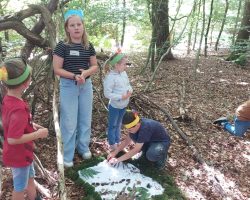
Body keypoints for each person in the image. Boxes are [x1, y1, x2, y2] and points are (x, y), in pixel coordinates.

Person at [53, 9, 98, 167]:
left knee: (85, 118)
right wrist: (74, 76)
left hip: (86, 85)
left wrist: (85, 73)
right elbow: (57, 69)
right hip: (68, 85)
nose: (76, 27)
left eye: (79, 24)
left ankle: (83, 147)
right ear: (67, 28)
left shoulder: (88, 45)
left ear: (83, 26)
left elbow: (94, 66)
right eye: (72, 25)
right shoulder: (62, 46)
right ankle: (68, 154)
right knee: (69, 121)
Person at [0, 58, 48, 200]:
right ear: (26, 83)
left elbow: (17, 125)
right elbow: (13, 139)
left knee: (30, 178)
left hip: (24, 154)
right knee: (19, 188)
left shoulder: (9, 100)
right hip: (19, 156)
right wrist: (38, 134)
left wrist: (34, 126)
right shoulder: (18, 108)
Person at [103, 52, 133, 151]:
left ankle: (117, 141)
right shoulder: (110, 77)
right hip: (115, 106)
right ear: (117, 65)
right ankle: (112, 144)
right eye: (124, 64)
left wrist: (130, 90)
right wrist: (121, 96)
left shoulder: (123, 73)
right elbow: (107, 94)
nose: (126, 66)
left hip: (123, 105)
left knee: (119, 123)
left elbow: (128, 84)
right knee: (113, 125)